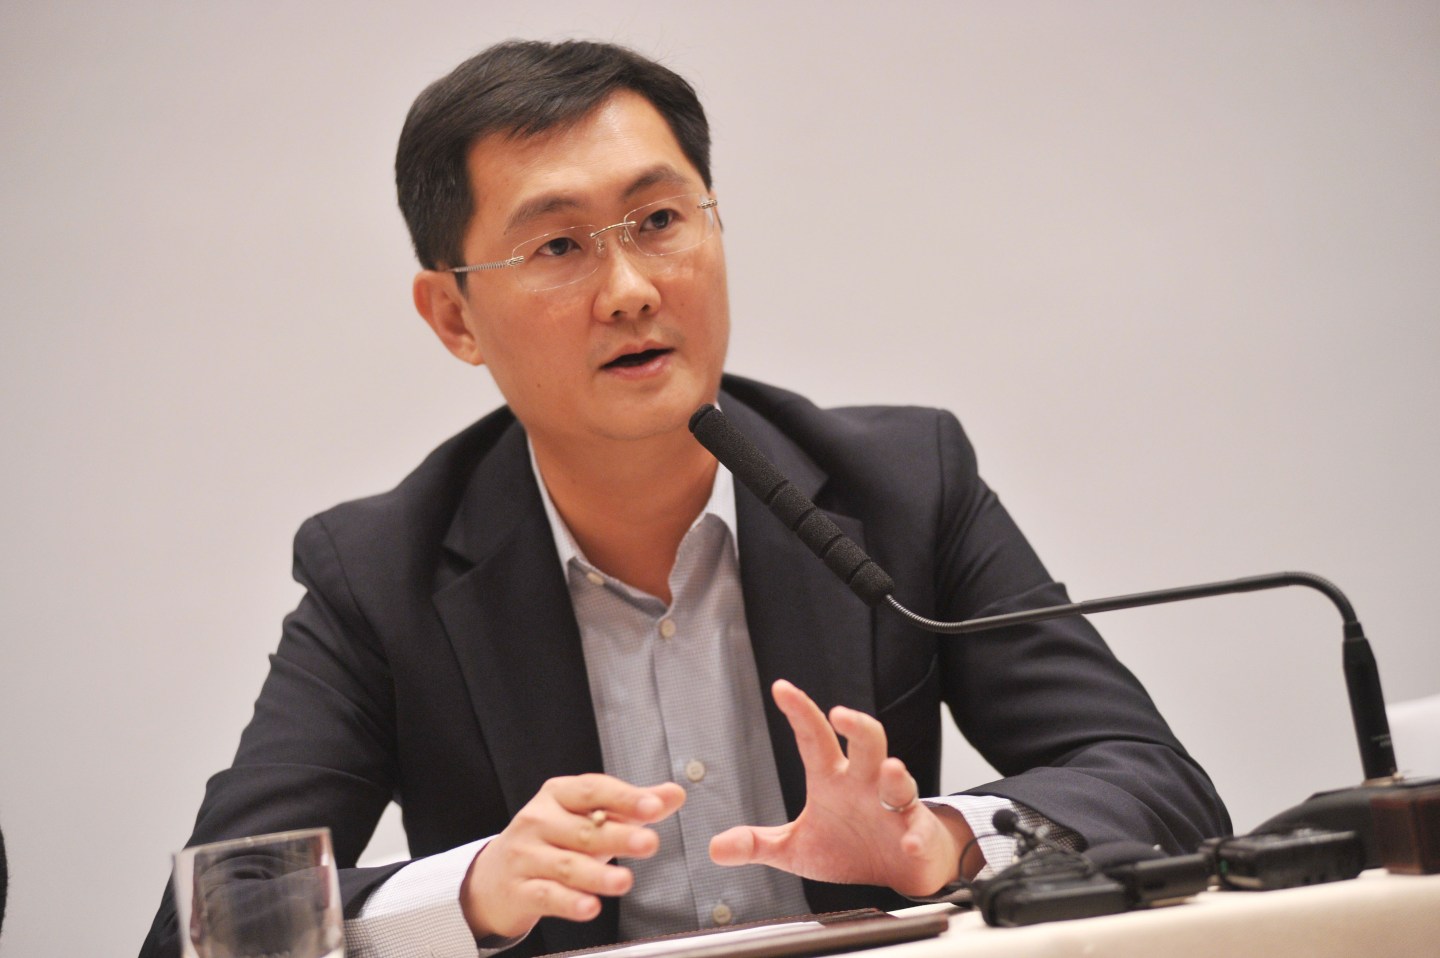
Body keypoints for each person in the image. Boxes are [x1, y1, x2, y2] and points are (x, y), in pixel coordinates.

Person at [141, 39, 1229, 958]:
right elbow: (211, 922)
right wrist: (471, 893)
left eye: (660, 220)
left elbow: (1154, 786)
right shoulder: (382, 572)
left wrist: (935, 841)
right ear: (454, 317)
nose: (630, 290)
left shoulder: (903, 484)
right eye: (558, 245)